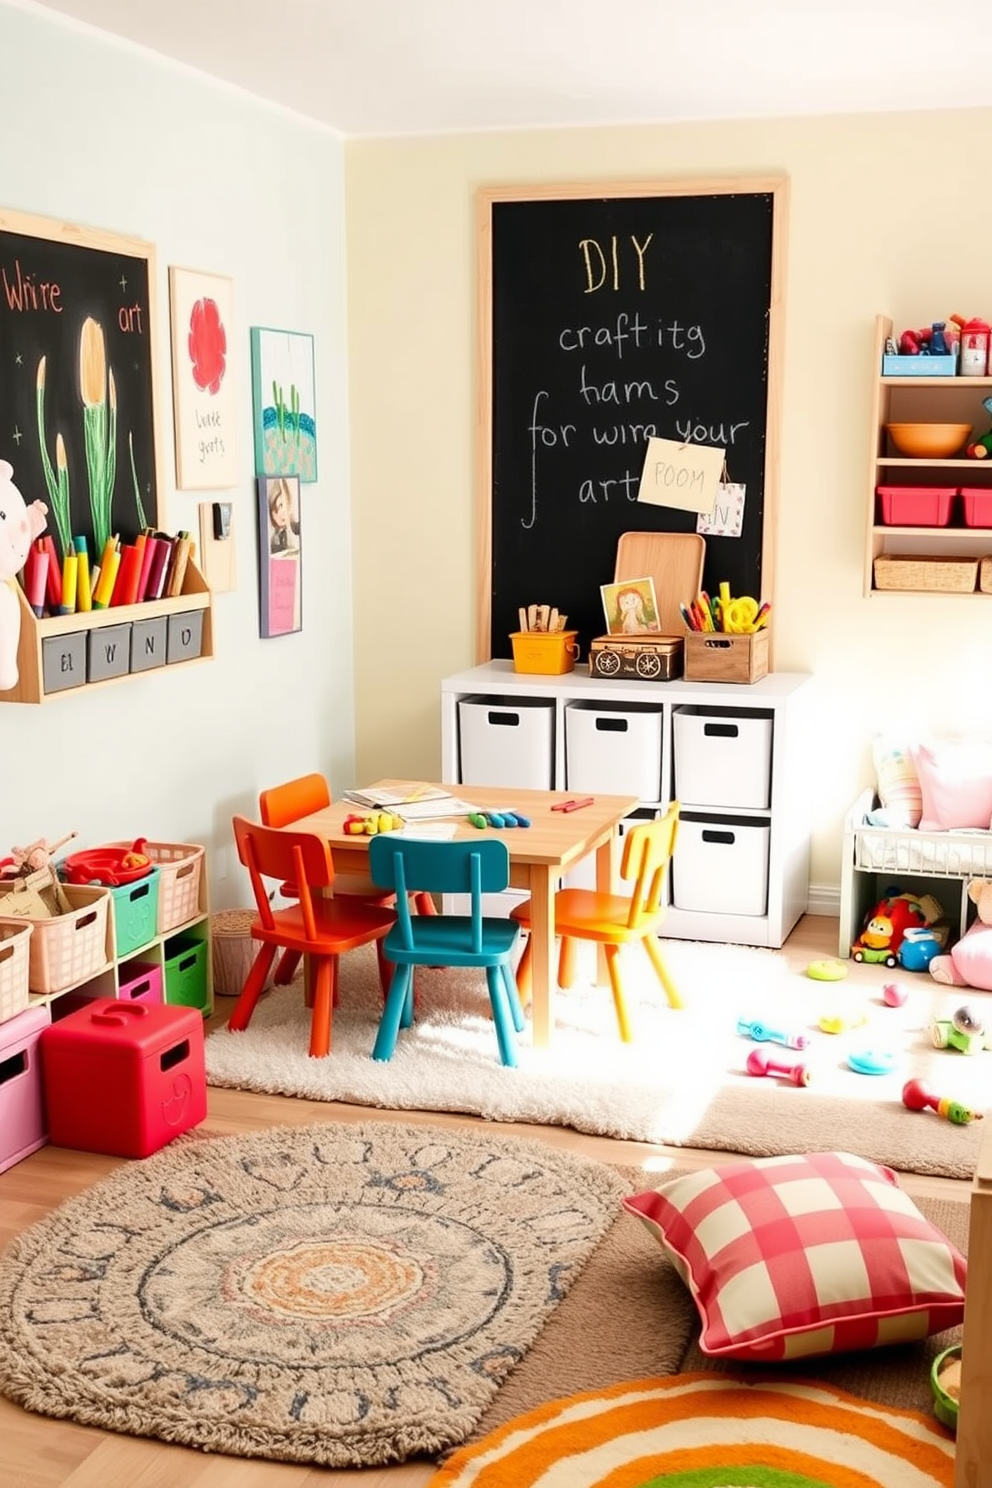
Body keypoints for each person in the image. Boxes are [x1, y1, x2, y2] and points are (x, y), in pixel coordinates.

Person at [268, 478, 300, 554]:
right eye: (280, 505)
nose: (283, 512)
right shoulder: (272, 539)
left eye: (286, 504)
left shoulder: (296, 528)